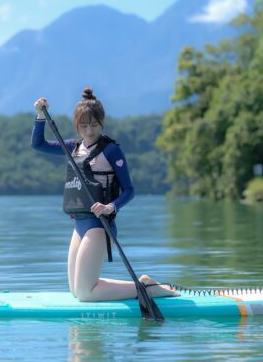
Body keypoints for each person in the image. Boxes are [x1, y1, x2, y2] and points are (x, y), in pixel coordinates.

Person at [31, 87, 180, 302]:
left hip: (100, 226)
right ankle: (143, 284)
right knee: (76, 291)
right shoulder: (73, 147)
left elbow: (129, 190)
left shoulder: (111, 150)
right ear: (77, 126)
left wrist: (111, 206)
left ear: (102, 123)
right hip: (79, 226)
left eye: (94, 125)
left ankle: (146, 288)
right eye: (84, 126)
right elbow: (38, 144)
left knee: (84, 293)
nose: (89, 130)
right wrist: (40, 115)